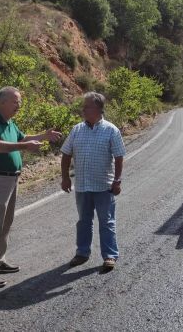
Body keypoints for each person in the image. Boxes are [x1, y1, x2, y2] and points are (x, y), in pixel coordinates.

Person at [0, 86, 62, 288]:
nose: (19, 105)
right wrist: (25, 147)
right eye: (15, 101)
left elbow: (21, 138)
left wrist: (43, 135)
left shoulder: (9, 122)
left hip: (10, 179)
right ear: (2, 102)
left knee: (5, 224)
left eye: (19, 101)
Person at [60, 91, 126, 272]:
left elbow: (119, 157)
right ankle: (82, 253)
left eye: (86, 106)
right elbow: (66, 153)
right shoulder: (77, 129)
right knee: (83, 221)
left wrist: (117, 181)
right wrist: (65, 177)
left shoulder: (111, 130)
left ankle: (110, 255)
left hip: (104, 186)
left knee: (107, 222)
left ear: (97, 108)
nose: (83, 109)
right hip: (82, 186)